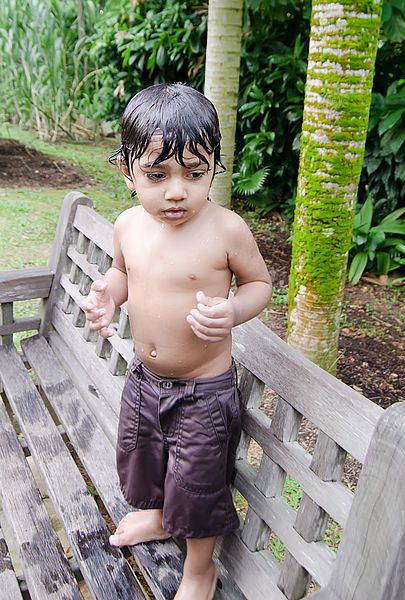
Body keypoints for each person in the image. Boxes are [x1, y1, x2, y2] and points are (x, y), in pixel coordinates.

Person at [81, 82, 272, 600]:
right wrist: (108, 295)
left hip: (204, 393)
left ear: (214, 168)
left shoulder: (226, 230)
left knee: (199, 482)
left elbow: (260, 285)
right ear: (127, 171)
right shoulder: (127, 226)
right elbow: (123, 274)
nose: (176, 191)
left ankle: (199, 569)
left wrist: (233, 310)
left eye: (195, 173)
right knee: (144, 457)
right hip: (145, 381)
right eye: (157, 174)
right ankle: (159, 516)